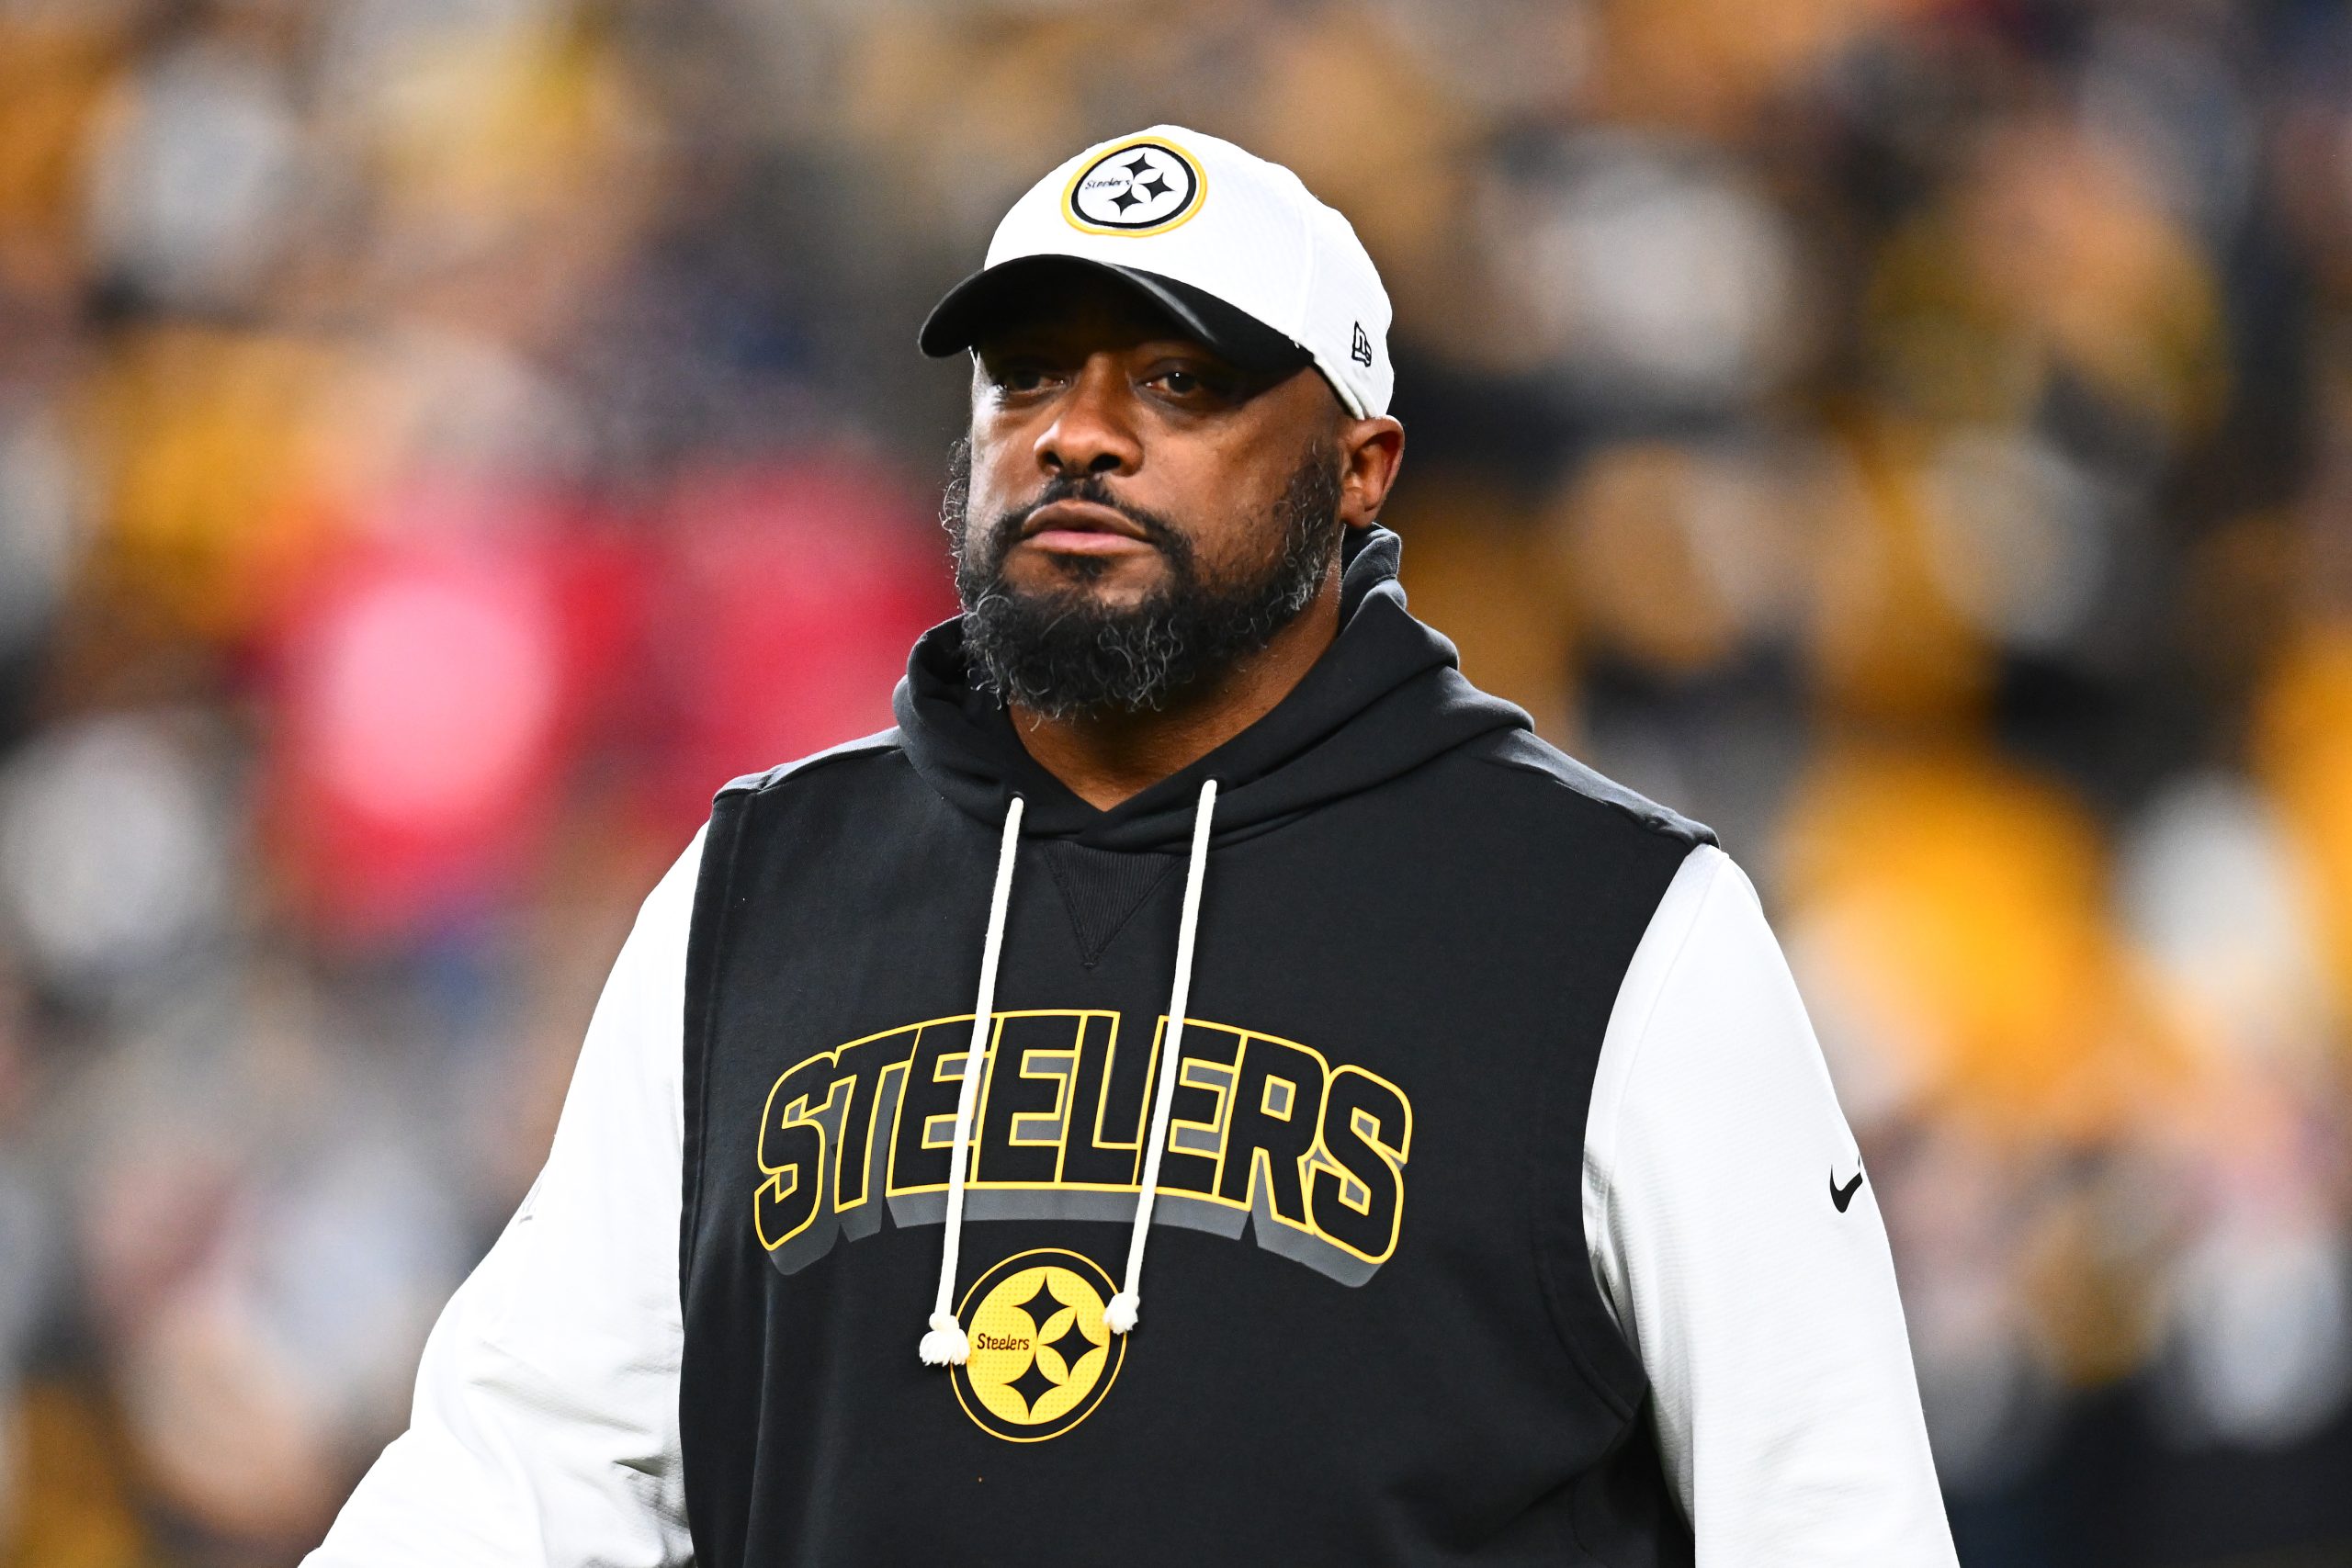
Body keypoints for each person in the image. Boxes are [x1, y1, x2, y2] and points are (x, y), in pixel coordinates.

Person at [305, 125, 1958, 1567]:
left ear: (1360, 468)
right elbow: (521, 1484)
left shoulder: (1619, 925)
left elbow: (1829, 1525)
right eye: (1028, 375)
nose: (1079, 432)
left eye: (1182, 380)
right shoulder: (754, 888)